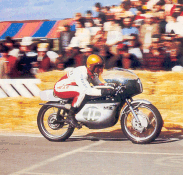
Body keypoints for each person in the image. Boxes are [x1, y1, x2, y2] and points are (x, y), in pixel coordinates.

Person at [54, 54, 115, 128]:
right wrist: (103, 92)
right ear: (92, 66)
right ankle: (70, 116)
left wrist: (112, 86)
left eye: (101, 66)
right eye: (98, 67)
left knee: (86, 91)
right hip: (60, 88)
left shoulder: (92, 73)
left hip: (70, 87)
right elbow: (87, 90)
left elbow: (99, 84)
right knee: (81, 92)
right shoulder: (81, 73)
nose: (100, 69)